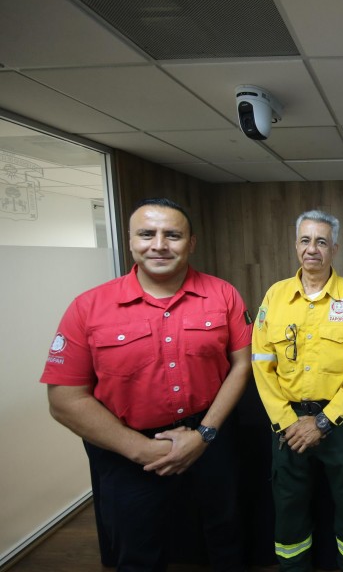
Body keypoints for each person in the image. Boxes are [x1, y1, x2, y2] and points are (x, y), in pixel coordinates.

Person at [41, 197, 252, 572]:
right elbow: (65, 398)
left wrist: (203, 434)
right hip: (125, 448)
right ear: (130, 241)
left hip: (208, 435)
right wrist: (142, 451)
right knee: (136, 546)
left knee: (223, 534)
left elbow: (241, 365)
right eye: (147, 234)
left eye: (172, 235)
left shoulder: (223, 295)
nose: (159, 244)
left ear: (191, 243)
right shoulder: (88, 307)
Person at [252, 210, 343, 572]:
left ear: (334, 248)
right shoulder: (274, 297)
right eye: (305, 240)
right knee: (288, 510)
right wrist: (286, 421)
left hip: (341, 422)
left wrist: (323, 421)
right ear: (296, 246)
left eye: (321, 241)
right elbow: (261, 364)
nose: (312, 249)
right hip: (286, 425)